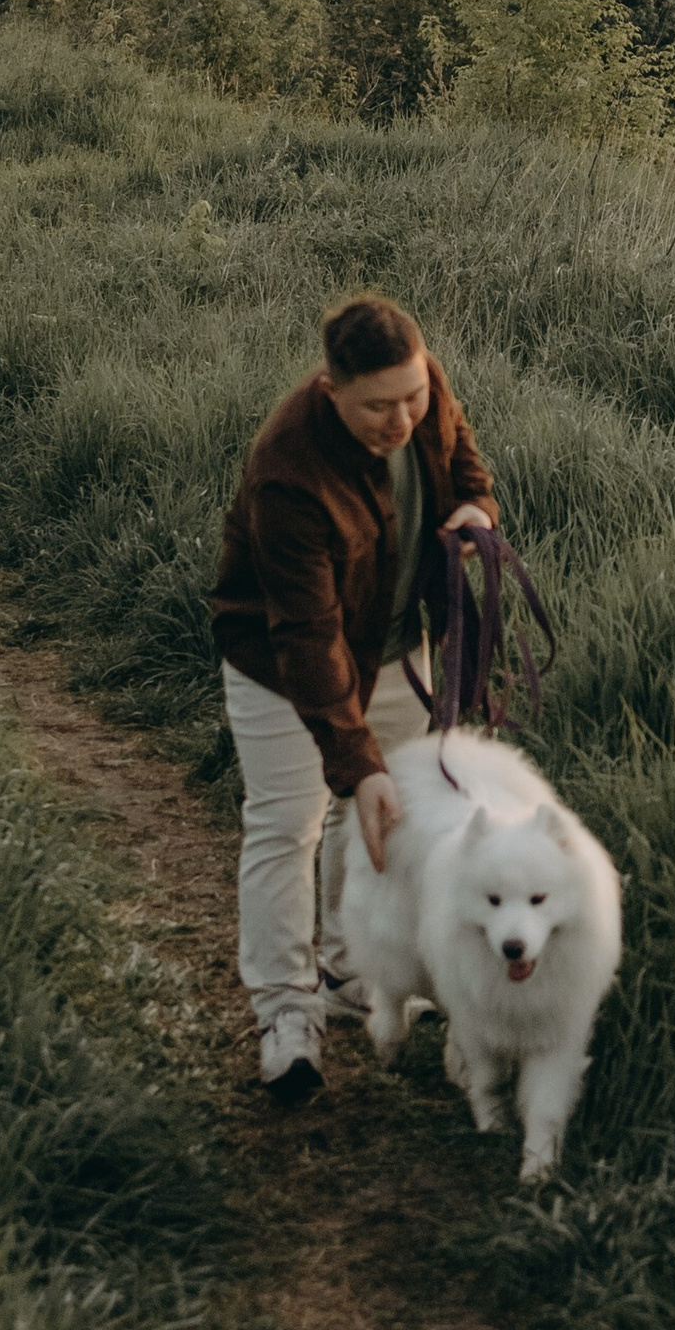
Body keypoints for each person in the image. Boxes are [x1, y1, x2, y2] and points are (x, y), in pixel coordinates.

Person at [208, 292, 497, 1102]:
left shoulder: (422, 387)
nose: (402, 418)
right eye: (378, 407)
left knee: (383, 819)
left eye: (413, 397)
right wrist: (356, 757)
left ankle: (346, 973)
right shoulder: (288, 473)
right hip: (281, 663)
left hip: (399, 648)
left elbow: (463, 458)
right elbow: (308, 637)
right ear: (331, 391)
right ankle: (284, 1012)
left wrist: (474, 507)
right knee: (285, 824)